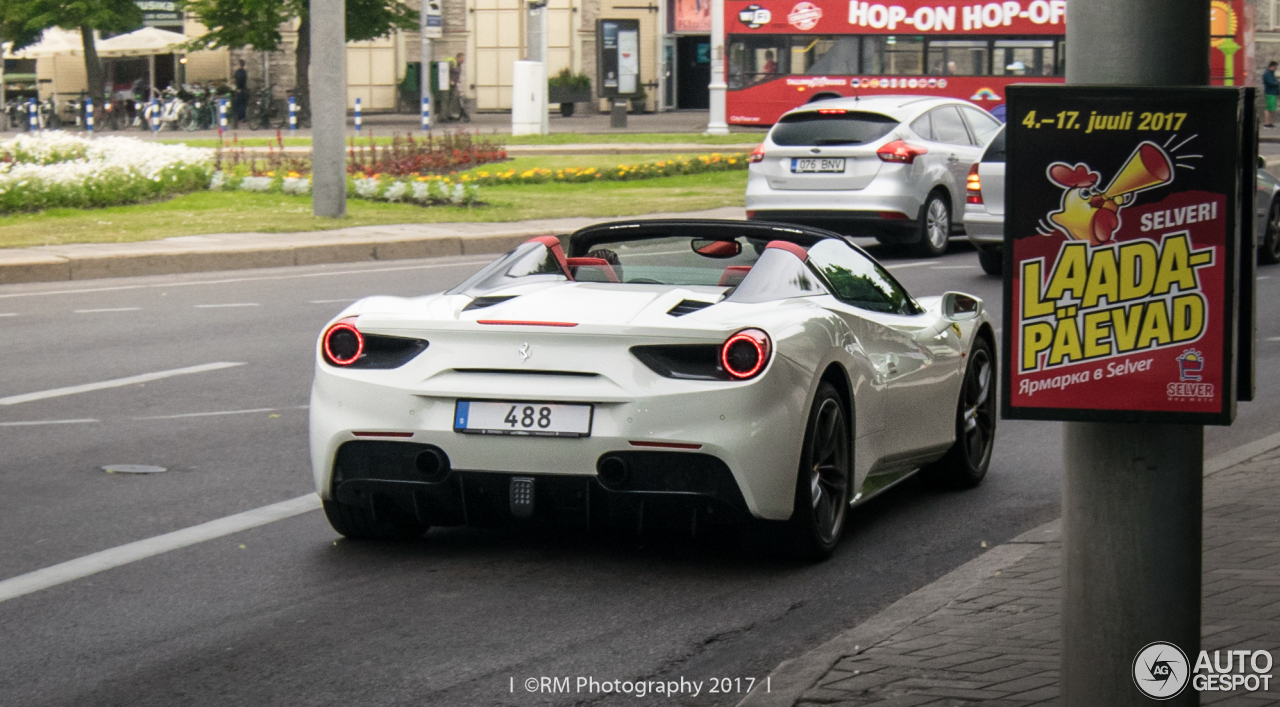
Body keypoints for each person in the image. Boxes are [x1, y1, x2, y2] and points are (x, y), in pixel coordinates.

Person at [448, 52, 470, 122]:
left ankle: (459, 114)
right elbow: (446, 72)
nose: (464, 59)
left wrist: (458, 79)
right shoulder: (453, 63)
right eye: (463, 58)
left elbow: (456, 73)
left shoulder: (459, 65)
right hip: (449, 85)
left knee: (457, 98)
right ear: (459, 58)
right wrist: (450, 80)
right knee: (452, 99)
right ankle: (449, 114)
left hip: (455, 85)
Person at [232, 59, 249, 124]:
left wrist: (238, 88)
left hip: (240, 90)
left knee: (239, 104)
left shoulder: (238, 72)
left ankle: (240, 118)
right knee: (243, 105)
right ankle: (242, 118)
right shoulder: (244, 72)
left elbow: (238, 80)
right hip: (243, 89)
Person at [1264, 61, 1279, 129]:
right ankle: (1266, 123)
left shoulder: (1271, 73)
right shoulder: (1267, 74)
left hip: (1273, 93)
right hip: (1270, 93)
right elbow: (1269, 82)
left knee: (1271, 109)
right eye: (1275, 67)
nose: (1275, 69)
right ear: (1271, 67)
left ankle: (1269, 123)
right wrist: (1277, 82)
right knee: (1268, 108)